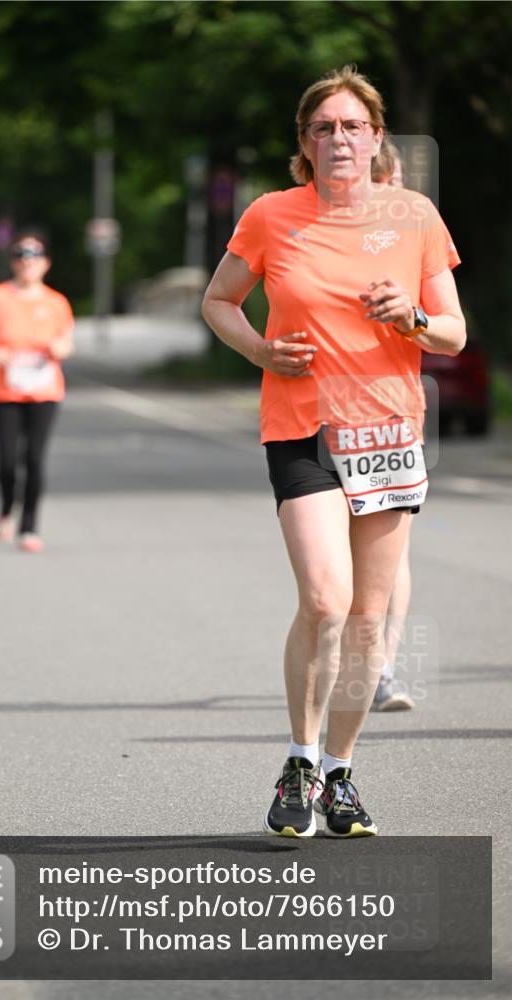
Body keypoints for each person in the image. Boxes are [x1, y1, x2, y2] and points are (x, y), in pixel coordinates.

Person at [202, 67, 465, 837]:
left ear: (377, 138)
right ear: (304, 145)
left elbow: (451, 331)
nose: (339, 139)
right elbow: (218, 299)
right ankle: (298, 759)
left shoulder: (413, 215)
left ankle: (341, 774)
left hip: (386, 431)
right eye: (324, 128)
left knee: (367, 619)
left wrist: (411, 316)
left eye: (353, 126)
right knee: (325, 600)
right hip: (302, 425)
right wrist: (258, 349)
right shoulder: (270, 216)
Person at [0, 231, 74, 552]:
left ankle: (29, 528)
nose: (28, 262)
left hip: (44, 391)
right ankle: (5, 509)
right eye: (21, 256)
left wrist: (59, 349)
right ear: (13, 262)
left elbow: (68, 341)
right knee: (7, 461)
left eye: (35, 256)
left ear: (46, 263)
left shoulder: (56, 302)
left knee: (35, 459)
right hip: (5, 391)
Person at [373, 139, 415, 712]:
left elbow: (447, 326)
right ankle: (373, 664)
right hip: (328, 412)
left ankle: (381, 668)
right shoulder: (320, 230)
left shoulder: (414, 233)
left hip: (395, 410)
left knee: (395, 555)